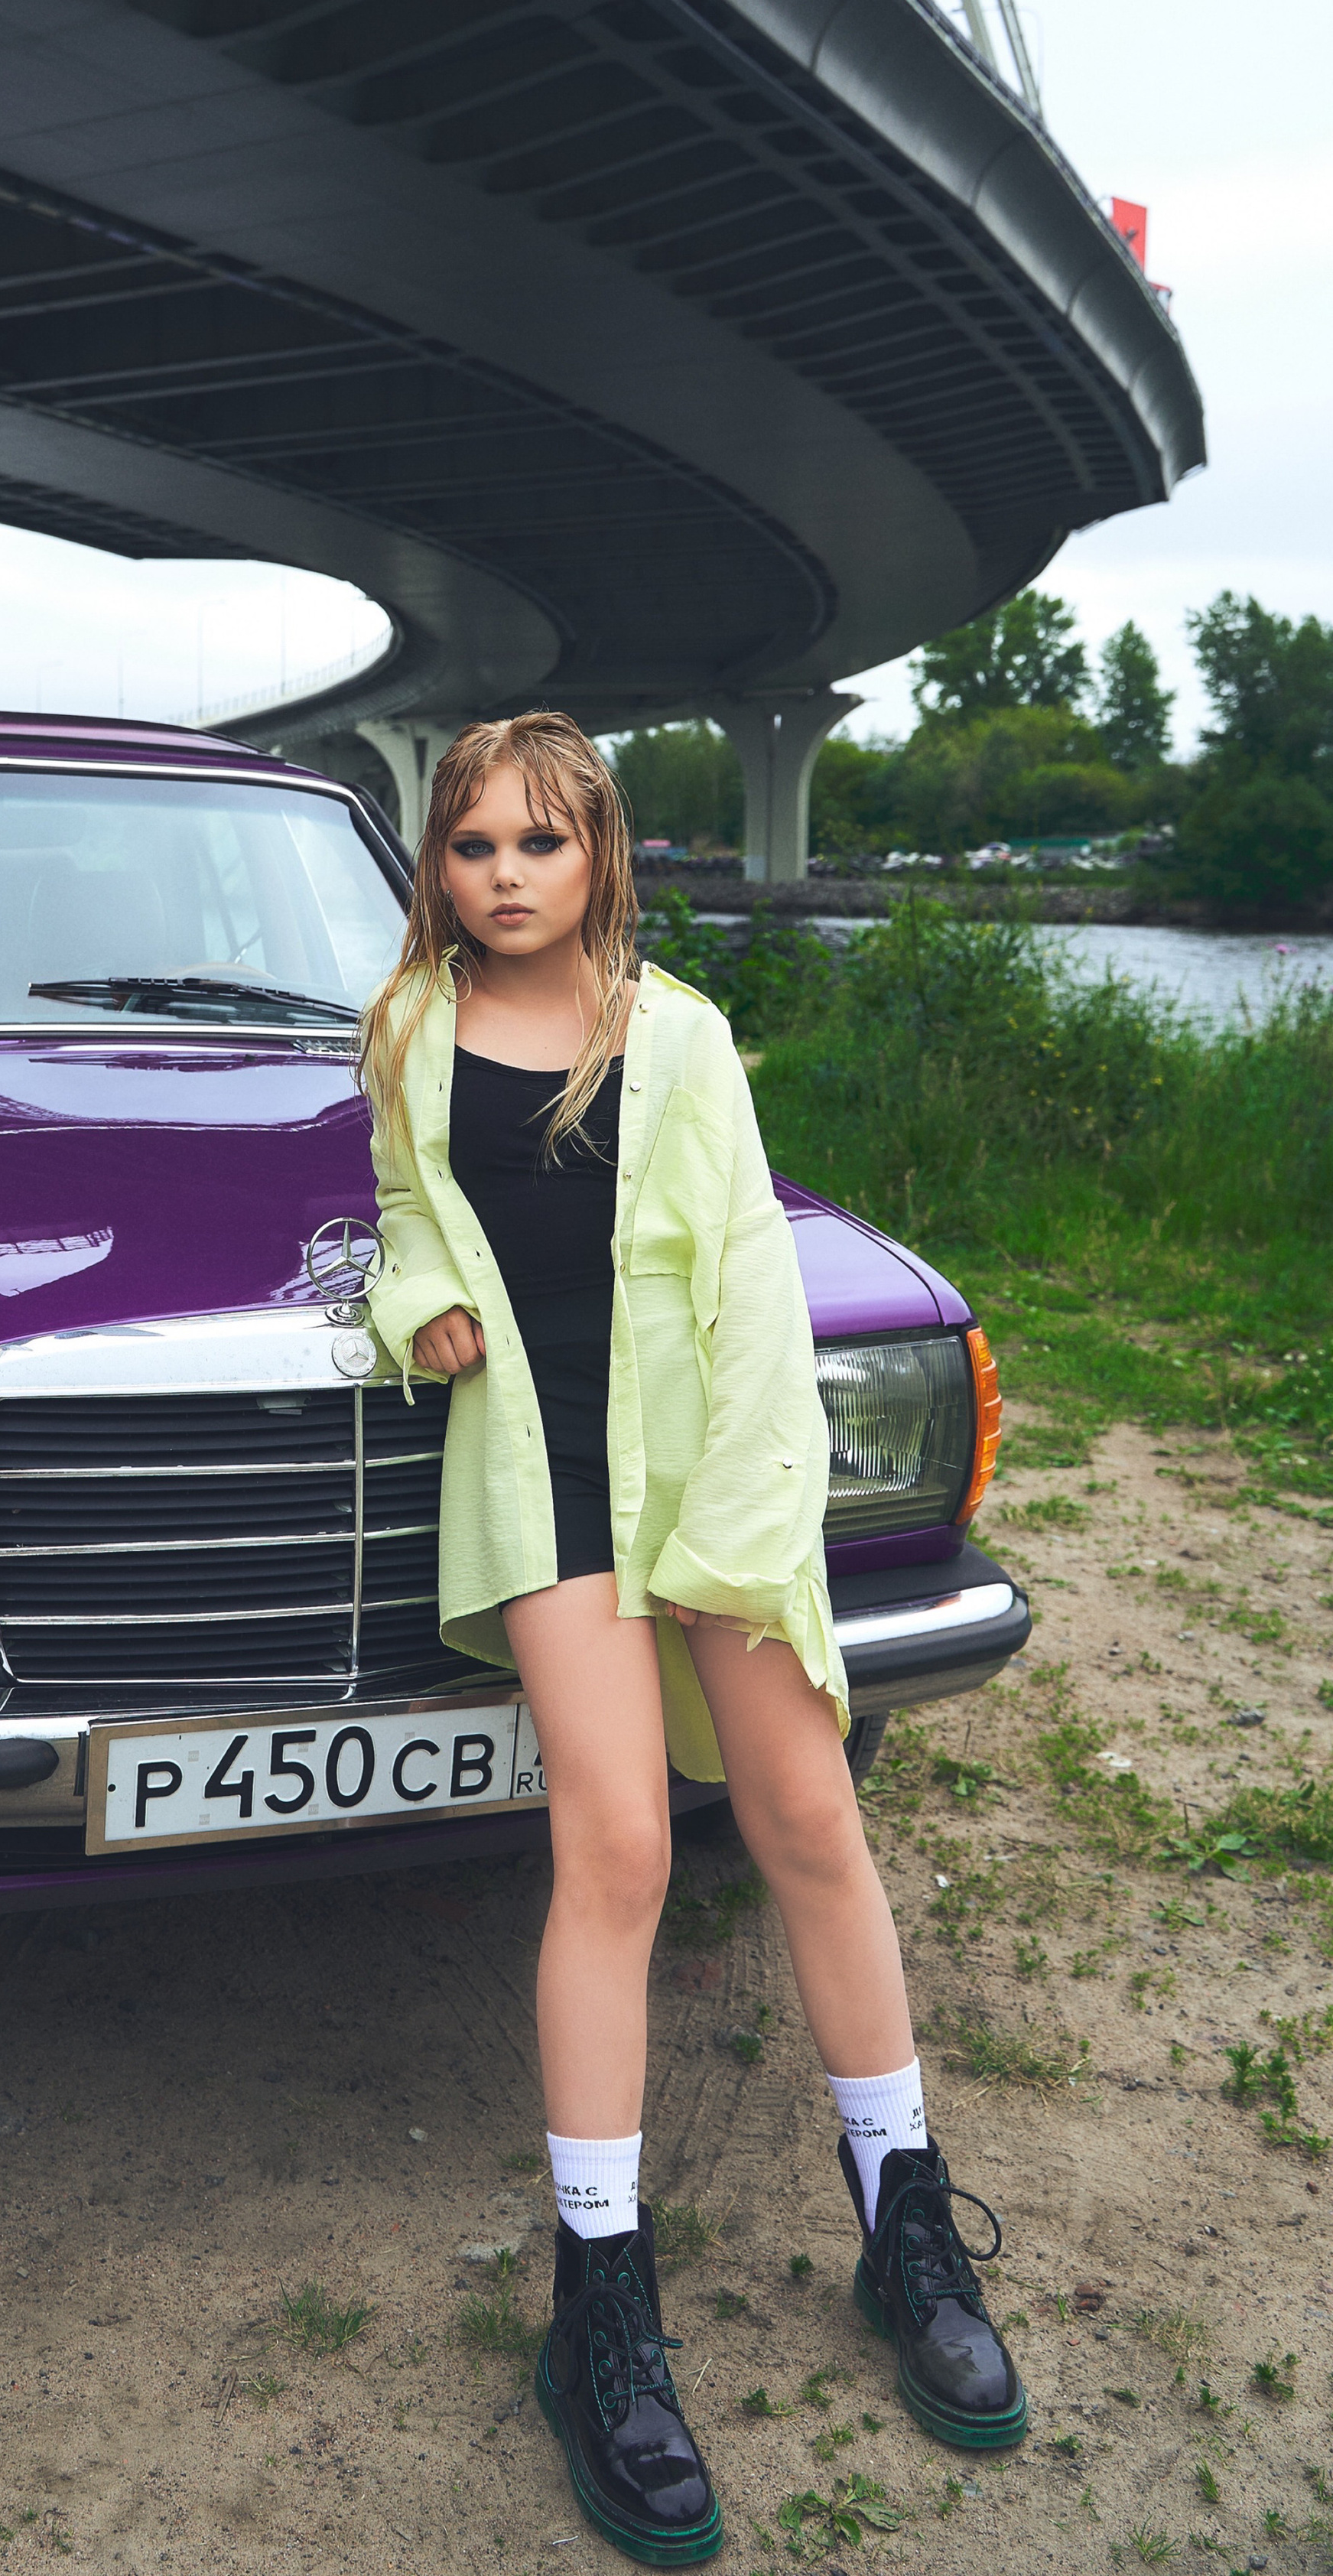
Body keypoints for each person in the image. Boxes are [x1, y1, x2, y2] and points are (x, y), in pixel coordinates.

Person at [359, 715, 1022, 2567]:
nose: (504, 875)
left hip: (708, 1477)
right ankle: (598, 2310)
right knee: (623, 1846)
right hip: (539, 1482)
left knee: (810, 1823)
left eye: (539, 845)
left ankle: (903, 2219)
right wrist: (413, 1302)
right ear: (443, 863)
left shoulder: (684, 1038)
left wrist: (733, 1548)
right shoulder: (410, 1030)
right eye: (474, 844)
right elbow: (406, 1218)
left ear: (599, 860)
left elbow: (749, 1294)